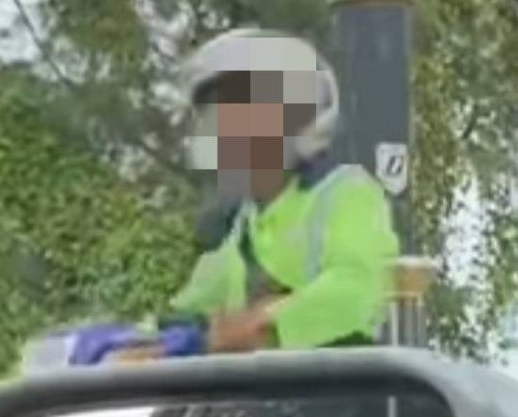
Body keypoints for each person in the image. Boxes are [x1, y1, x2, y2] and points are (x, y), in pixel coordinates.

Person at [156, 27, 401, 353]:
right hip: (261, 401)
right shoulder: (241, 226)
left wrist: (261, 321)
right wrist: (129, 341)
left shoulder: (347, 194)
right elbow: (186, 313)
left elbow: (359, 291)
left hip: (341, 397)